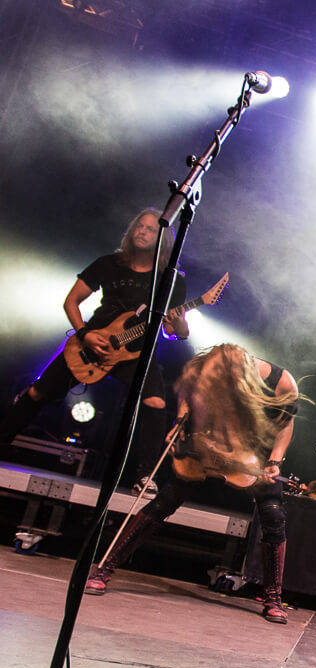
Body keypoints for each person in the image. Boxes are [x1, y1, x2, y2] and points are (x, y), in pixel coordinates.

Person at [84, 343, 300, 624]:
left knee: (273, 514)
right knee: (166, 500)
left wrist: (274, 461)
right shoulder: (209, 368)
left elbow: (285, 424)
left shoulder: (282, 382)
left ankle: (273, 597)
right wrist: (180, 421)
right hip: (210, 441)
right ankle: (105, 569)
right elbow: (187, 391)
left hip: (253, 450)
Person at [0, 208, 188, 492]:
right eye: (140, 225)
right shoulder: (108, 264)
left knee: (156, 403)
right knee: (38, 392)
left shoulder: (170, 280)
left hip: (135, 354)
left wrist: (181, 325)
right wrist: (85, 334)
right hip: (92, 343)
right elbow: (71, 301)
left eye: (151, 229)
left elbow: (173, 331)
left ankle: (145, 476)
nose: (143, 231)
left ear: (164, 239)